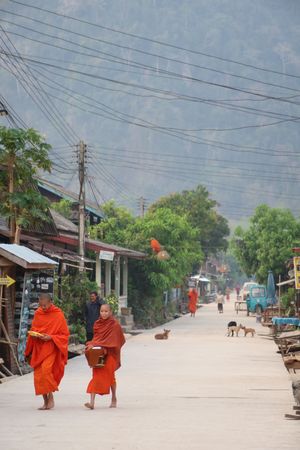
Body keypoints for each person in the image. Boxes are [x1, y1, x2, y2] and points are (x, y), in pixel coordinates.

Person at [24, 293, 69, 410]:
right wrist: (35, 334)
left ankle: (51, 395)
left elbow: (64, 334)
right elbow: (34, 329)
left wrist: (51, 337)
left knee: (46, 371)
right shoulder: (38, 313)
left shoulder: (58, 314)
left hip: (51, 348)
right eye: (41, 305)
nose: (42, 308)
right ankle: (45, 401)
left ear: (50, 302)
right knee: (38, 375)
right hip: (39, 348)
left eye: (44, 305)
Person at [84, 303, 125, 410]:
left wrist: (105, 346)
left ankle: (114, 398)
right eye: (102, 311)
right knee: (96, 376)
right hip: (99, 353)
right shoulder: (97, 324)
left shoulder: (115, 325)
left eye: (106, 311)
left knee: (111, 377)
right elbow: (96, 339)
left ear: (110, 312)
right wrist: (93, 345)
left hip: (110, 354)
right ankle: (92, 402)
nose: (104, 313)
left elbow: (118, 341)